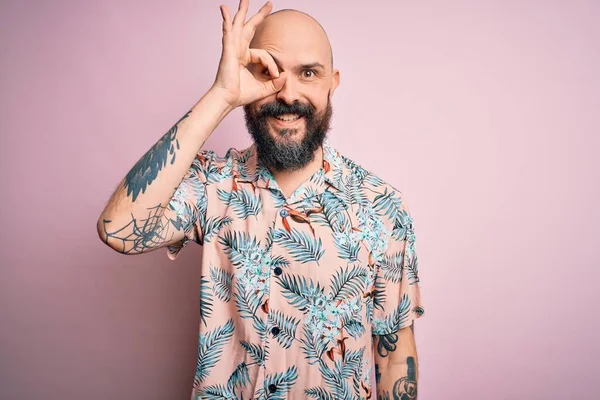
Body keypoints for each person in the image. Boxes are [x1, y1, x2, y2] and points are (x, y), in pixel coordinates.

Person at [96, 0, 424, 398]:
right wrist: (222, 94)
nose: (287, 93)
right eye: (268, 70)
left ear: (332, 83)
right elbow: (118, 230)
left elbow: (392, 358)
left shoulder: (381, 205)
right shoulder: (213, 184)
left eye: (308, 73)